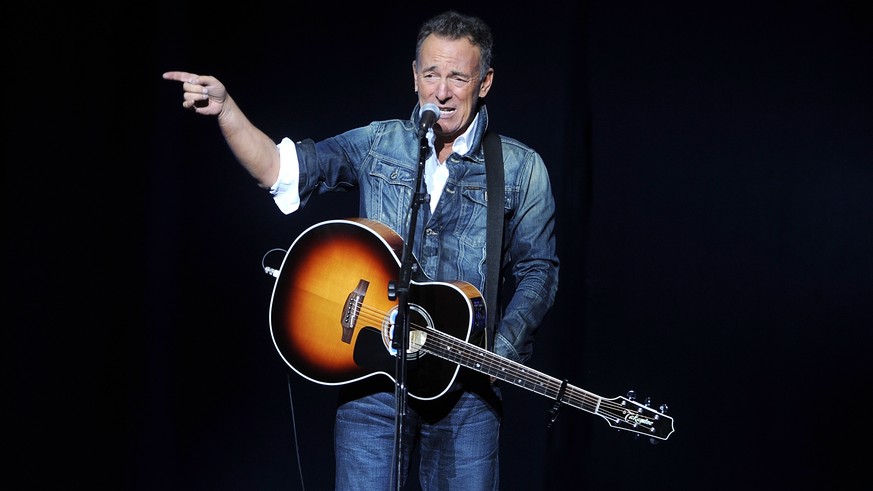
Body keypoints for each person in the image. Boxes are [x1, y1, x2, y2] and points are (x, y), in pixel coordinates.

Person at [164, 10, 559, 490]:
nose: (443, 91)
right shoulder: (378, 144)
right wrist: (227, 111)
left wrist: (498, 353)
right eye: (431, 74)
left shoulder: (520, 168)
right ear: (414, 76)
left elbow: (539, 272)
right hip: (374, 386)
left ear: (485, 82)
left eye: (458, 77)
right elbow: (281, 170)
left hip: (465, 393)